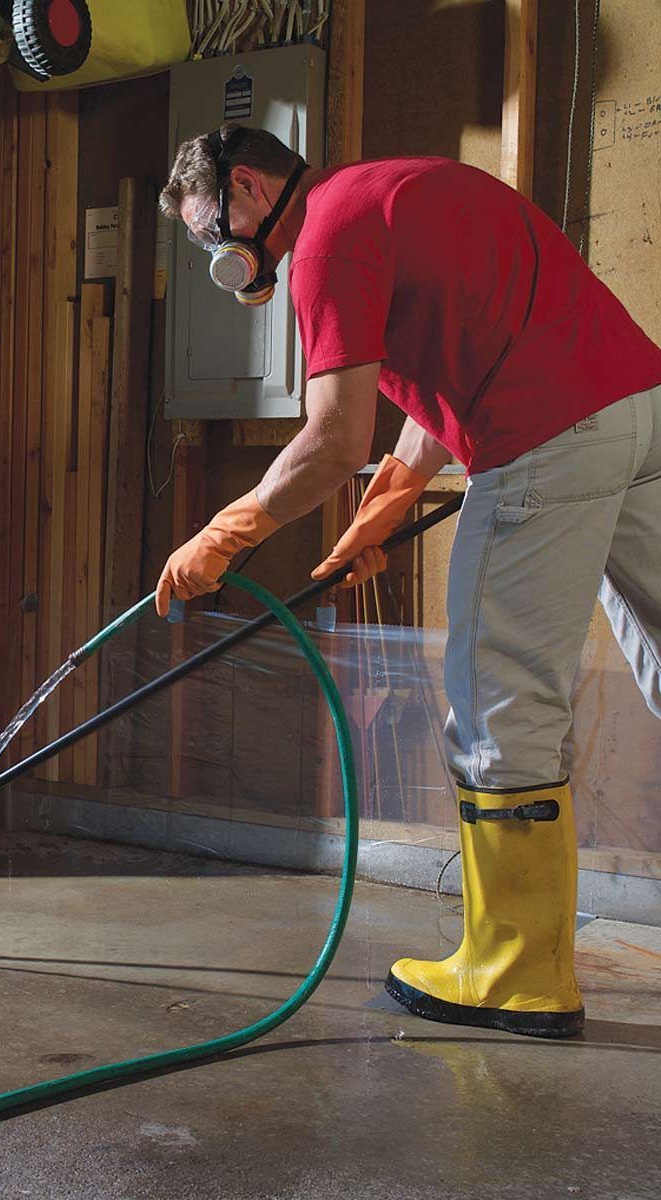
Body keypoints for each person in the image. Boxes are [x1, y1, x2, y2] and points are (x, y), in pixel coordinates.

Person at [155, 124, 661, 1039]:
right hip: (639, 409)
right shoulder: (391, 189)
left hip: (545, 435)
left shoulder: (323, 242)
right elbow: (457, 362)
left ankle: (513, 973)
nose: (215, 256)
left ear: (248, 187)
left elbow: (331, 439)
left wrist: (227, 532)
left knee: (497, 701)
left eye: (208, 233)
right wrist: (390, 497)